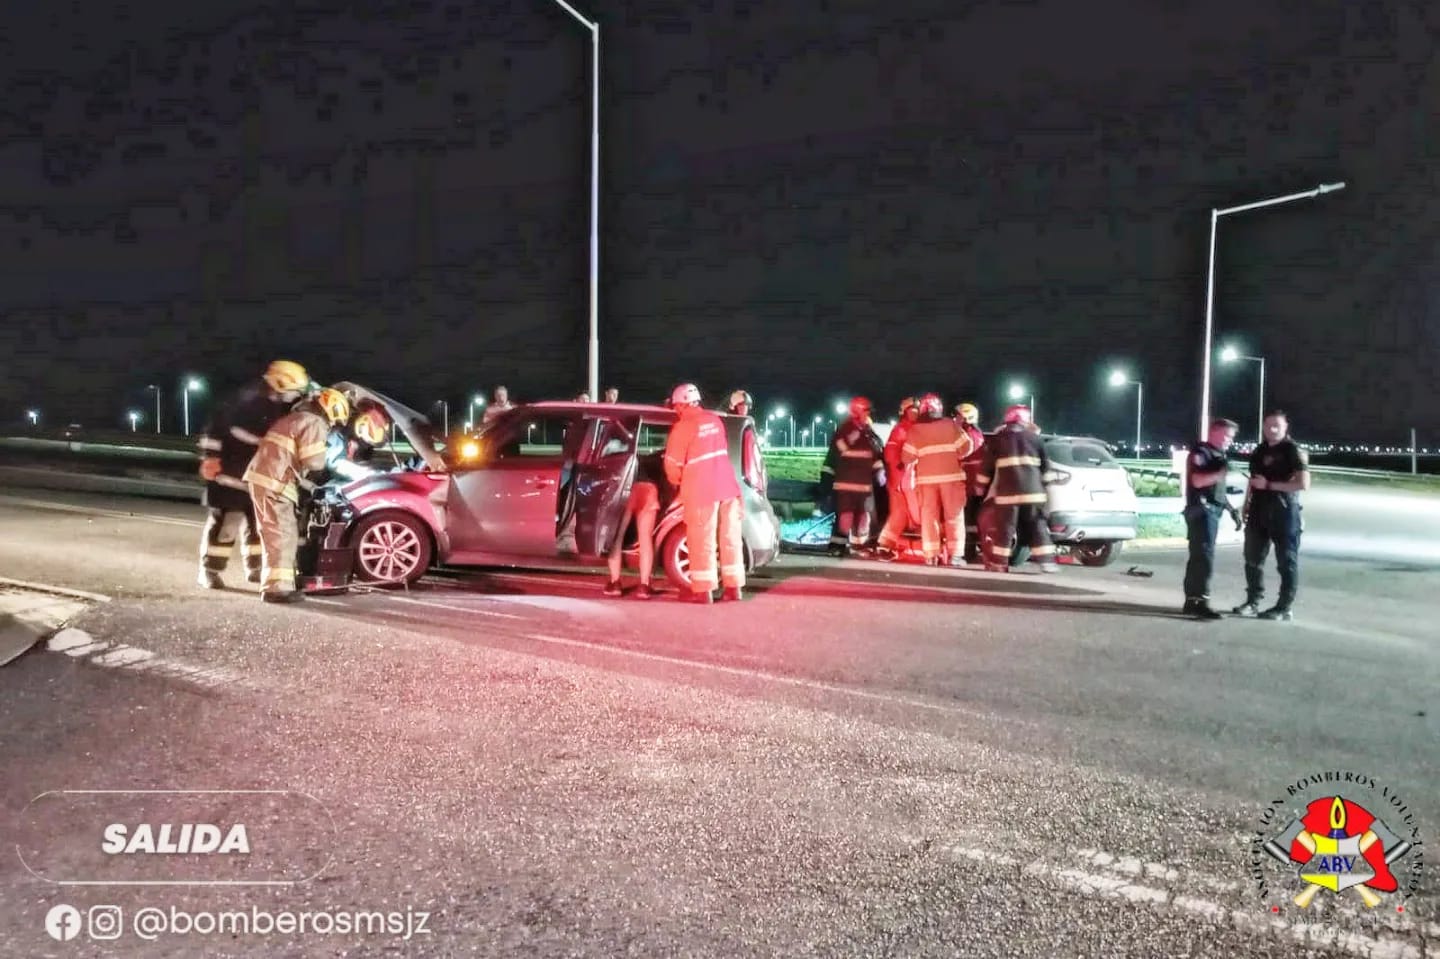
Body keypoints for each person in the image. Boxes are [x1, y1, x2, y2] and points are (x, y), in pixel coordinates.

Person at [195, 360, 312, 590]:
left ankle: (255, 568)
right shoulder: (244, 401)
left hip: (258, 478)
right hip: (229, 475)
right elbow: (216, 428)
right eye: (293, 391)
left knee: (258, 525)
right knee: (226, 525)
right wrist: (210, 457)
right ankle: (209, 570)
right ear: (279, 384)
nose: (295, 396)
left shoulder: (282, 408)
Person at [242, 387, 351, 603]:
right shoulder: (314, 423)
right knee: (281, 534)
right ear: (332, 411)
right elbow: (314, 461)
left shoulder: (297, 417)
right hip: (275, 481)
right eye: (335, 422)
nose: (333, 427)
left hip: (268, 479)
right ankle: (276, 590)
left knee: (279, 533)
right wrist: (326, 465)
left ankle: (279, 585)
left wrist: (306, 486)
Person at [663, 383, 744, 603]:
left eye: (676, 406)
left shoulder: (683, 427)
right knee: (730, 539)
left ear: (682, 404)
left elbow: (672, 465)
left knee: (701, 540)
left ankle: (703, 591)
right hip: (728, 487)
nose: (676, 410)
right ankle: (733, 588)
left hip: (701, 490)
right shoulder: (715, 421)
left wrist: (676, 482)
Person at [1233, 410, 1310, 621]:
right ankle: (1252, 601)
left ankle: (1284, 607)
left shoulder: (1293, 451)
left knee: (1286, 562)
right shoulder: (1258, 451)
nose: (1272, 429)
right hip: (1258, 511)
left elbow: (1304, 484)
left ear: (1286, 427)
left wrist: (1269, 485)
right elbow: (1253, 480)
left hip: (1284, 513)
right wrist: (1245, 505)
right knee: (1252, 559)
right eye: (1268, 425)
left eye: (1277, 425)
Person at [975, 404, 1057, 573]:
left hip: (1008, 494)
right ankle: (1047, 562)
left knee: (1005, 529)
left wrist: (979, 486)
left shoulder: (999, 439)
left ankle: (999, 563)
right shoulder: (1035, 439)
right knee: (1038, 526)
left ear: (1007, 420)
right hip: (1034, 494)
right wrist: (1047, 486)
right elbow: (1046, 467)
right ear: (1025, 421)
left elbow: (986, 467)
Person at [901, 394, 974, 566]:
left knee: (929, 516)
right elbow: (967, 447)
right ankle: (955, 555)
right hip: (952, 478)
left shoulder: (915, 430)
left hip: (926, 481)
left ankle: (930, 555)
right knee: (954, 516)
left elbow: (907, 457)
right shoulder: (950, 425)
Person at [1182, 418, 1239, 619]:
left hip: (1213, 511)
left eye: (1232, 437)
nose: (1229, 441)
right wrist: (1221, 471)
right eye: (1226, 436)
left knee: (1201, 557)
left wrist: (1232, 510)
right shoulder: (1201, 453)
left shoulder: (1218, 455)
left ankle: (1194, 600)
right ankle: (1199, 601)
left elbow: (1218, 491)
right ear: (1214, 433)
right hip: (1201, 512)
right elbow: (1197, 481)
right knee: (1203, 557)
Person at [603, 426, 664, 599]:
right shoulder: (635, 450)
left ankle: (615, 583)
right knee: (645, 539)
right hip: (648, 488)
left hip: (626, 488)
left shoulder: (610, 446)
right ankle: (644, 585)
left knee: (617, 536)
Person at [820, 396, 885, 558]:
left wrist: (880, 472)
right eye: (866, 411)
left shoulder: (868, 433)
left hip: (864, 485)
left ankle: (858, 545)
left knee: (863, 517)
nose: (868, 415)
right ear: (857, 411)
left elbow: (874, 454)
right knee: (845, 517)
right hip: (846, 485)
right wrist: (855, 433)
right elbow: (839, 448)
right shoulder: (846, 429)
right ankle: (837, 546)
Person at [875, 398, 920, 561]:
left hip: (909, 480)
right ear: (904, 412)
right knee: (900, 513)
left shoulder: (914, 428)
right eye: (912, 410)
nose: (915, 412)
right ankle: (884, 545)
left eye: (917, 409)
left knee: (908, 514)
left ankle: (886, 544)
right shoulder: (901, 429)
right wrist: (902, 465)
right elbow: (890, 455)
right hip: (900, 481)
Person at [326, 401, 390, 482]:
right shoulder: (337, 437)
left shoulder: (359, 443)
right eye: (366, 440)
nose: (365, 443)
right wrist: (363, 473)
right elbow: (336, 464)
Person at [955, 402, 987, 562]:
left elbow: (962, 456)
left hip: (968, 484)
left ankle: (968, 551)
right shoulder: (975, 433)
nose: (956, 419)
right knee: (971, 520)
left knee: (967, 520)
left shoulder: (969, 435)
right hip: (972, 484)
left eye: (959, 416)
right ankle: (970, 550)